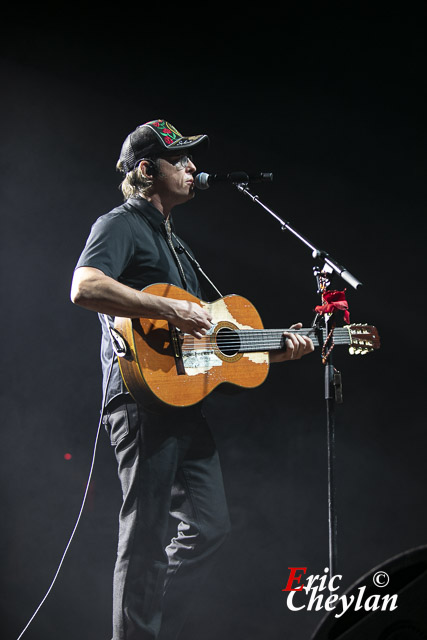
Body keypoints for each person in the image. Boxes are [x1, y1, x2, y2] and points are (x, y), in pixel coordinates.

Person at [70, 119, 314, 640]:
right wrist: (166, 308)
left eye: (190, 159)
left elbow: (207, 346)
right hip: (139, 401)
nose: (191, 168)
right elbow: (85, 287)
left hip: (181, 401)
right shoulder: (119, 223)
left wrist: (275, 349)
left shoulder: (175, 244)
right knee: (146, 536)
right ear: (145, 170)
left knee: (210, 527)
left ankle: (149, 630)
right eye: (177, 160)